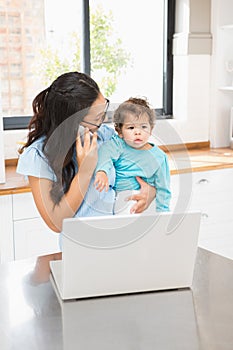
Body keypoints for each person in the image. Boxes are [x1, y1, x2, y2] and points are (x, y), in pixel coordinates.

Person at [17, 72, 156, 233]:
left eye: (103, 111)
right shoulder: (38, 156)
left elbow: (141, 168)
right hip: (80, 248)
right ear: (72, 124)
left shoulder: (105, 136)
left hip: (117, 238)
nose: (103, 122)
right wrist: (85, 171)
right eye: (97, 118)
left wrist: (150, 191)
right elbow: (56, 223)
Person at [94, 97, 171, 213]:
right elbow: (105, 154)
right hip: (123, 198)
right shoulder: (118, 144)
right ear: (120, 132)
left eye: (143, 127)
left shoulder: (160, 157)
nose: (138, 132)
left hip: (148, 200)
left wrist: (163, 213)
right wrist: (102, 171)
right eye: (131, 127)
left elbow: (163, 189)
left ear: (151, 129)